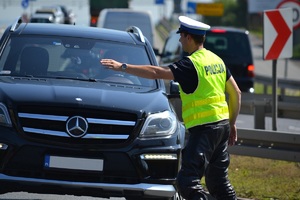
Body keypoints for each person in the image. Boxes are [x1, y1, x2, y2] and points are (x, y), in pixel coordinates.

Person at [101, 15, 241, 200]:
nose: (180, 40)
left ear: (189, 37)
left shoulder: (191, 64)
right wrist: (231, 124)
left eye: (181, 36)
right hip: (222, 127)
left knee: (187, 181)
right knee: (218, 182)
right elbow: (237, 93)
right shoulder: (216, 60)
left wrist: (123, 67)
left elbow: (156, 72)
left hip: (204, 129)